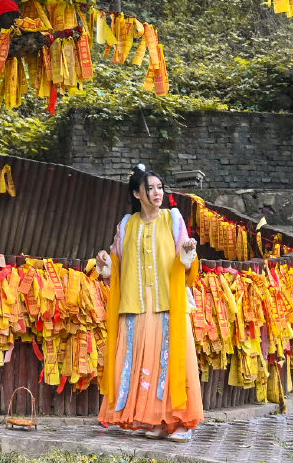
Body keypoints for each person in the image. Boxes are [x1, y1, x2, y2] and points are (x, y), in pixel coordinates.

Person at [94, 163, 202, 440]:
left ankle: (181, 423)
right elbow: (116, 265)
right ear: (136, 194)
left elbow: (185, 260)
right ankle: (157, 420)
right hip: (137, 306)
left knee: (173, 360)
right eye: (150, 188)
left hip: (169, 302)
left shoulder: (172, 219)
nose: (157, 193)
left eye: (160, 187)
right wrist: (105, 261)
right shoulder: (127, 225)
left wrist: (188, 251)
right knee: (148, 363)